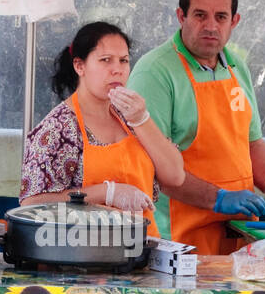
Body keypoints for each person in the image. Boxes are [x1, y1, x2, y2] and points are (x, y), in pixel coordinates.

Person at [127, 0, 265, 254]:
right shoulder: (155, 72)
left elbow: (251, 141)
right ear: (181, 16)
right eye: (199, 15)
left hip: (238, 236)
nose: (210, 26)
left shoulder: (236, 67)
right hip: (178, 242)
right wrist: (219, 198)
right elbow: (151, 168)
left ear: (234, 21)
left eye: (220, 17)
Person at [20, 21, 184, 237]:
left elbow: (175, 176)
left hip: (140, 254)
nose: (117, 70)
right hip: (81, 257)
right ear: (80, 66)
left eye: (124, 61)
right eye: (105, 60)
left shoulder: (129, 118)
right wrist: (106, 193)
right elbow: (31, 205)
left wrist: (142, 119)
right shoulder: (58, 128)